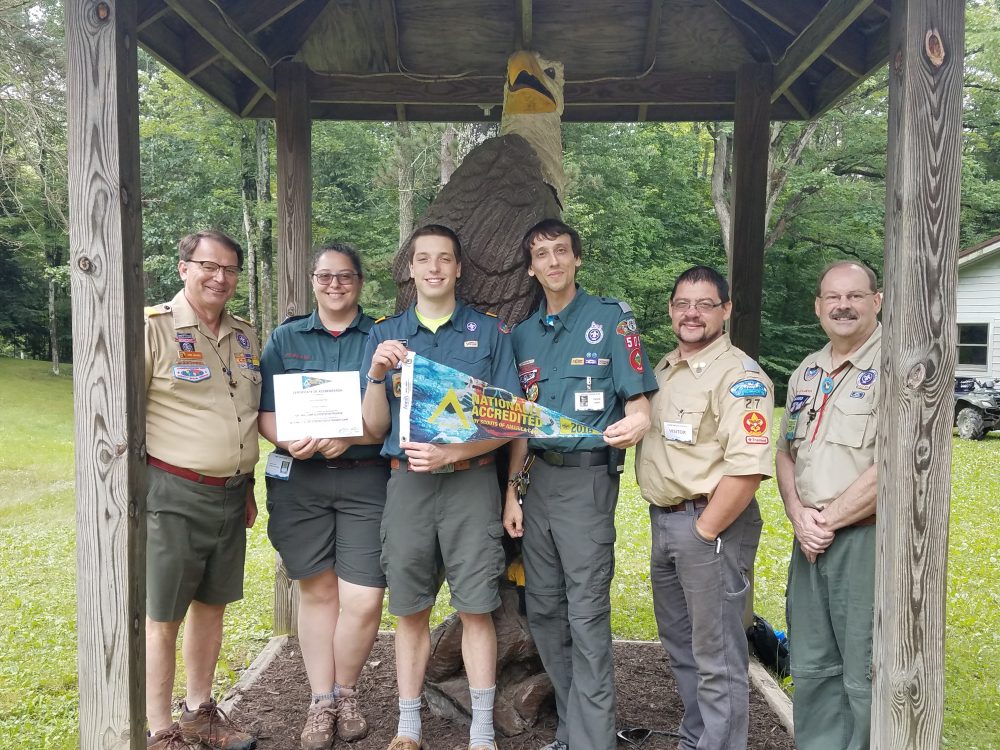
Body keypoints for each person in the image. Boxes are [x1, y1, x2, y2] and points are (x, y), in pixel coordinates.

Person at [360, 224, 520, 750]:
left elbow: (510, 420)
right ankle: (408, 725)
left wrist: (456, 452)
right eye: (423, 259)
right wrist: (375, 376)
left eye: (444, 259)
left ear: (457, 269)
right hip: (407, 487)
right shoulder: (387, 336)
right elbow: (375, 428)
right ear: (410, 269)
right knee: (410, 608)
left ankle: (481, 729)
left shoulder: (489, 334)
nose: (433, 268)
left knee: (476, 607)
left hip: (470, 486)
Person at [502, 219, 656, 750]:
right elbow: (522, 425)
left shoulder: (611, 320)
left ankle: (594, 742)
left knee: (585, 611)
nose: (553, 261)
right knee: (544, 609)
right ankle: (575, 729)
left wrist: (639, 421)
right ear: (530, 266)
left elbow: (639, 404)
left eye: (561, 251)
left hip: (587, 482)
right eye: (541, 253)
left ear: (577, 259)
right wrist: (512, 493)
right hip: (537, 482)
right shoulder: (521, 335)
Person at [634, 265, 773, 750]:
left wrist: (704, 530)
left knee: (717, 657)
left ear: (726, 310)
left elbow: (748, 468)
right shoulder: (666, 369)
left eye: (704, 304)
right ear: (671, 309)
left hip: (708, 526)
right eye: (682, 304)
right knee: (683, 649)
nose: (692, 314)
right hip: (666, 522)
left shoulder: (739, 376)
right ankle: (698, 739)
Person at [258, 243, 388, 750]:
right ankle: (321, 701)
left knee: (363, 597)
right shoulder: (286, 336)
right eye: (325, 276)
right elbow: (267, 411)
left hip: (366, 479)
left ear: (359, 281)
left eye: (345, 276)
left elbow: (394, 414)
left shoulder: (382, 335)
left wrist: (353, 436)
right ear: (313, 280)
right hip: (303, 482)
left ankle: (347, 691)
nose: (335, 285)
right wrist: (286, 439)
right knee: (317, 592)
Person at [144, 230, 260, 750]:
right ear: (183, 267)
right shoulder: (153, 330)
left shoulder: (245, 336)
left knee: (212, 607)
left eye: (230, 269)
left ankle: (199, 711)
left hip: (232, 495)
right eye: (208, 266)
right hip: (174, 492)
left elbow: (245, 416)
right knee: (163, 614)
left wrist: (249, 485)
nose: (220, 277)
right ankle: (160, 728)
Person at [776, 261, 882, 750]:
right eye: (833, 297)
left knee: (864, 670)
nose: (843, 305)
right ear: (818, 306)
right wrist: (799, 516)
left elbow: (899, 466)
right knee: (813, 664)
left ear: (876, 301)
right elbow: (785, 451)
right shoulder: (807, 370)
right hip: (811, 539)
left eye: (855, 296)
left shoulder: (899, 367)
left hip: (863, 539)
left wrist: (827, 521)